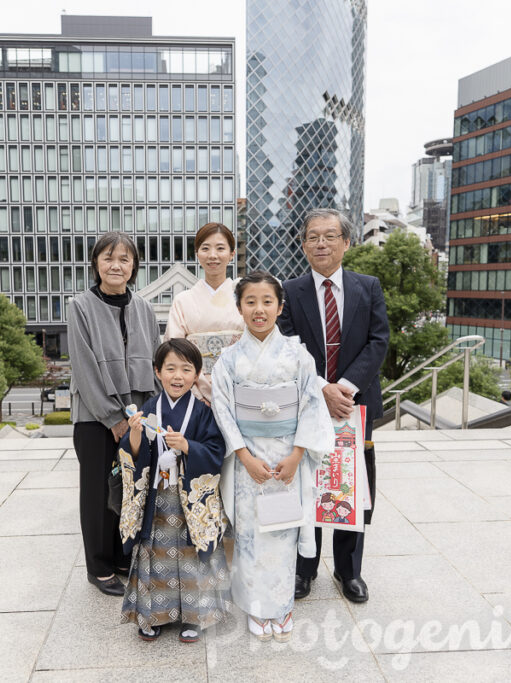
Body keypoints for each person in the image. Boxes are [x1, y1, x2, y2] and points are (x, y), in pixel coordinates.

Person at [211, 271, 333, 642]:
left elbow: (312, 405)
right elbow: (223, 409)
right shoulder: (229, 359)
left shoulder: (298, 355)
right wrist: (244, 457)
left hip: (285, 458)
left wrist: (298, 454)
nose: (259, 309)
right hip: (250, 459)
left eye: (267, 302)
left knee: (282, 531)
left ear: (280, 307)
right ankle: (256, 608)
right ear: (239, 308)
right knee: (249, 534)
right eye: (250, 302)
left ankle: (281, 607)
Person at [277, 207, 390, 605]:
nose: (321, 243)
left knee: (351, 484)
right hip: (307, 402)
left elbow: (379, 341)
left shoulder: (368, 286)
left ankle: (349, 571)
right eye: (312, 237)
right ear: (303, 244)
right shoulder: (289, 292)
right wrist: (322, 388)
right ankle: (303, 569)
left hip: (354, 406)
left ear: (346, 241)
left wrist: (343, 387)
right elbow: (288, 347)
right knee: (307, 485)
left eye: (329, 236)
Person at [118, 339, 231, 643]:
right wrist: (137, 435)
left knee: (191, 556)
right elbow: (131, 453)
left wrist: (189, 447)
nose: (177, 376)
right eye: (170, 368)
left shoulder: (202, 412)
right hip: (156, 499)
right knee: (155, 556)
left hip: (189, 502)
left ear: (197, 375)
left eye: (186, 369)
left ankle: (195, 616)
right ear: (157, 371)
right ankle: (151, 614)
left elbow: (215, 450)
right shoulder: (148, 408)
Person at [68, 232, 160, 597]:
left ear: (134, 265)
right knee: (96, 492)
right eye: (108, 258)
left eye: (124, 258)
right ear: (96, 263)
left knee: (129, 488)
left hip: (137, 416)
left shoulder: (144, 307)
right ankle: (99, 566)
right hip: (93, 417)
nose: (116, 265)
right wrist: (112, 417)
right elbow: (84, 367)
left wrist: (146, 415)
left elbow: (155, 361)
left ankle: (123, 555)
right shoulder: (79, 306)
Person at [164, 222, 245, 403]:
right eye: (205, 248)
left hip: (240, 390)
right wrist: (196, 394)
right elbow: (174, 352)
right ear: (197, 253)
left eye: (220, 248)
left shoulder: (245, 297)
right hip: (194, 394)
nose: (213, 255)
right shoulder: (183, 300)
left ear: (232, 254)